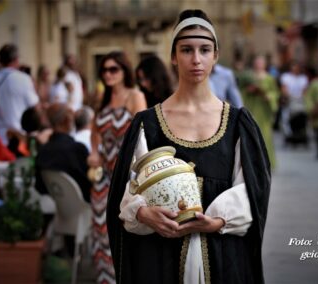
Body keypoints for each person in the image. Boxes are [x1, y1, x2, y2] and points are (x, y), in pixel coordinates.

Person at [107, 9, 271, 284]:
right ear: (173, 56)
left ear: (216, 55)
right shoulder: (148, 124)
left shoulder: (237, 123)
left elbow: (252, 192)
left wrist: (218, 221)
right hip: (160, 259)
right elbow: (127, 193)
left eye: (205, 49)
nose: (196, 59)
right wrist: (144, 213)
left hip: (223, 259)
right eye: (186, 50)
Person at [87, 51, 146, 283]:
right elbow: (94, 133)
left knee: (127, 229)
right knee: (101, 231)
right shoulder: (101, 99)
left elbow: (143, 135)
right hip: (104, 175)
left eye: (114, 69)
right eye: (104, 70)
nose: (108, 74)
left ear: (124, 71)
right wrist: (93, 152)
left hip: (127, 175)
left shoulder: (135, 96)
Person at [35, 103, 91, 203]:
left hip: (53, 207)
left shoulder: (43, 151)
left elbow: (39, 187)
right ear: (67, 121)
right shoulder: (77, 149)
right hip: (81, 207)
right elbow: (88, 184)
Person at [0, 44, 39, 145]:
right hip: (19, 136)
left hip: (0, 136)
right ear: (16, 59)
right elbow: (35, 106)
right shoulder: (24, 78)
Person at [238, 55, 279, 168]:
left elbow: (275, 93)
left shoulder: (269, 78)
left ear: (265, 64)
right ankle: (252, 164)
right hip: (251, 107)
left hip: (264, 111)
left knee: (265, 135)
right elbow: (239, 91)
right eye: (257, 62)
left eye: (261, 62)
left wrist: (270, 96)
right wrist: (247, 90)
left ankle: (266, 162)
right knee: (250, 134)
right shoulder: (248, 76)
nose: (259, 64)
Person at [280, 61, 309, 146]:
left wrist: (300, 97)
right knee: (286, 119)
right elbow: (284, 88)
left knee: (302, 120)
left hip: (300, 102)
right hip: (290, 101)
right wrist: (288, 96)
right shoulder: (286, 77)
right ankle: (288, 136)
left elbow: (305, 90)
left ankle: (302, 137)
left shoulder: (303, 78)